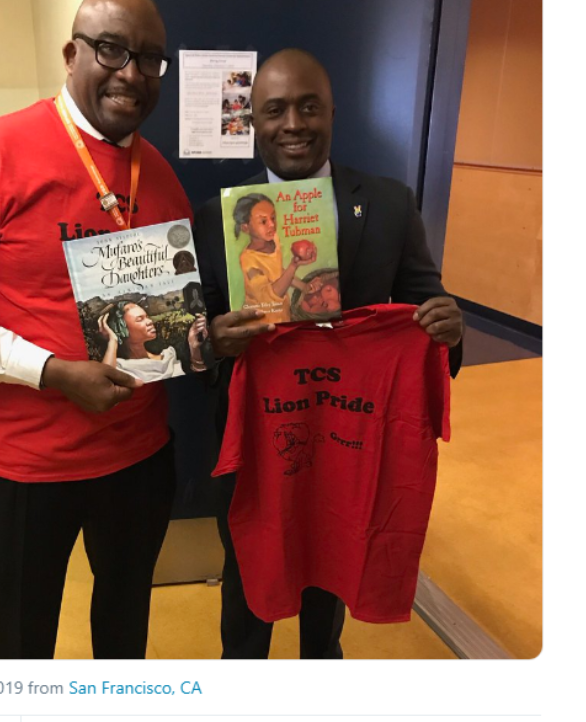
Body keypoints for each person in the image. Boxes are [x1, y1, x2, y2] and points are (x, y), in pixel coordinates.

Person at [0, 0, 191, 659]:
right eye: (111, 50)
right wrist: (53, 372)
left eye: (149, 59)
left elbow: (174, 314)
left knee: (124, 638)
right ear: (71, 54)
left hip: (139, 460)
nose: (131, 74)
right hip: (24, 470)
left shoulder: (161, 178)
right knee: (15, 651)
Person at [193, 48, 463, 660]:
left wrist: (448, 327)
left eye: (309, 107)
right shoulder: (217, 219)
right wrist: (216, 340)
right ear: (252, 122)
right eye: (275, 110)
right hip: (258, 440)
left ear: (333, 113)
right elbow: (197, 334)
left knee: (331, 567)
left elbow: (427, 304)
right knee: (249, 579)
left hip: (347, 436)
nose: (293, 124)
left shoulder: (389, 203)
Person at [232, 193, 316, 322]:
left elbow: (277, 272)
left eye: (273, 218)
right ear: (245, 228)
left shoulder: (273, 240)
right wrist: (294, 265)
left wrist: (303, 287)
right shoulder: (248, 260)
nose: (271, 224)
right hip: (261, 322)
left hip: (283, 316)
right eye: (263, 221)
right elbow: (271, 296)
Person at [98, 299, 208, 380]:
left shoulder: (169, 355)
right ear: (122, 329)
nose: (150, 321)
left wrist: (194, 348)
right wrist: (113, 340)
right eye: (140, 319)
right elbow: (104, 386)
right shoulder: (119, 367)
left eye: (147, 317)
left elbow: (201, 381)